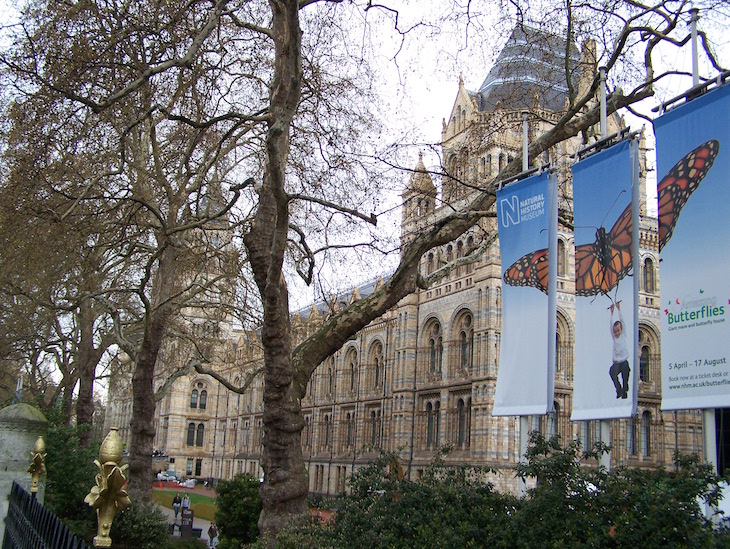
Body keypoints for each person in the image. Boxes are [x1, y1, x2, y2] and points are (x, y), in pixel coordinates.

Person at [609, 301, 630, 399]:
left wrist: (619, 309)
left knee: (625, 376)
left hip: (624, 362)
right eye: (615, 331)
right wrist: (612, 313)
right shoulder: (614, 338)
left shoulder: (623, 335)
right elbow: (611, 325)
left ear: (621, 330)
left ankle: (625, 390)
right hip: (617, 363)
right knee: (612, 372)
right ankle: (619, 389)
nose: (617, 333)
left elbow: (623, 321)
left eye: (618, 330)